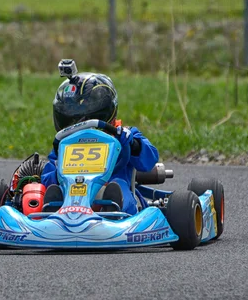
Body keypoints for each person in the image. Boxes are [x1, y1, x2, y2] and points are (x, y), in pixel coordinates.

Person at [40, 69, 159, 215]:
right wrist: (55, 180)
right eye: (72, 119)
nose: (80, 123)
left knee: (118, 187)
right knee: (53, 188)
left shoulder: (123, 134)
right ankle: (52, 208)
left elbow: (150, 159)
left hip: (111, 186)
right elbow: (48, 173)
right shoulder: (64, 144)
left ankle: (113, 209)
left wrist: (134, 145)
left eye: (84, 118)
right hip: (70, 192)